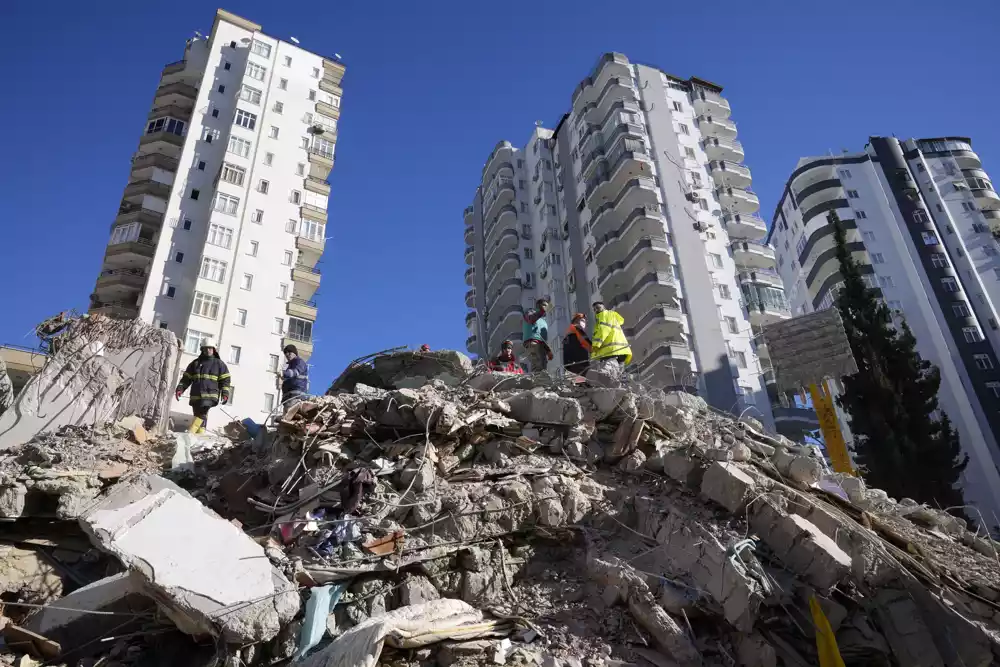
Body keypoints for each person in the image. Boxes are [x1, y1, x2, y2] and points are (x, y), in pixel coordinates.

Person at [175, 337, 231, 433]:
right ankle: (199, 434)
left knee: (202, 413)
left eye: (210, 348)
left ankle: (191, 433)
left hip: (210, 395)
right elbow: (186, 379)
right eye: (206, 348)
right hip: (196, 395)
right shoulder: (195, 363)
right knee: (198, 415)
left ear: (214, 349)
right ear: (202, 349)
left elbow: (225, 380)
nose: (208, 350)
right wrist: (180, 388)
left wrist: (225, 394)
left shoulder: (219, 364)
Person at [590, 302, 632, 375]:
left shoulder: (604, 315)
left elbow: (603, 330)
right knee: (617, 373)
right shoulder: (613, 317)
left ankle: (605, 377)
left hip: (610, 351)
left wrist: (596, 345)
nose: (596, 310)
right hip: (622, 350)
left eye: (598, 307)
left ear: (604, 307)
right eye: (594, 309)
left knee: (608, 369)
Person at [522, 299, 552, 372]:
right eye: (544, 305)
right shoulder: (530, 312)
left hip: (541, 346)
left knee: (543, 368)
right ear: (539, 306)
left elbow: (542, 338)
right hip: (533, 343)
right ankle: (537, 382)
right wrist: (541, 311)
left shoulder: (543, 321)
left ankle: (541, 382)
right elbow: (531, 318)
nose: (546, 308)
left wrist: (548, 350)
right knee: (537, 366)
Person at [281, 344, 309, 408]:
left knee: (291, 415)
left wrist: (284, 373)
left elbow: (296, 371)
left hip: (296, 397)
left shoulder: (299, 362)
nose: (287, 355)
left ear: (294, 353)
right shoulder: (291, 365)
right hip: (289, 398)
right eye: (286, 354)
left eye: (289, 353)